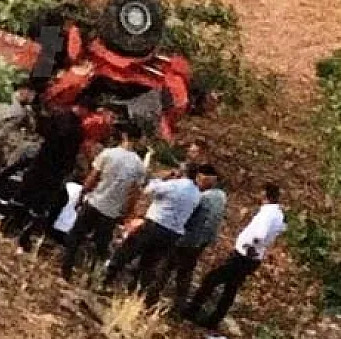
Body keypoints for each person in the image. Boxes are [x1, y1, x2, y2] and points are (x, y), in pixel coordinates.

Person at [184, 182, 285, 329]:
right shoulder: (278, 214)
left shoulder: (267, 213)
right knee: (231, 289)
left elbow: (260, 234)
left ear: (265, 194)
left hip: (244, 255)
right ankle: (213, 320)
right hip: (254, 257)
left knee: (212, 279)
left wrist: (250, 245)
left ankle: (192, 310)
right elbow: (279, 230)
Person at [103, 163, 202, 306]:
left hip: (155, 225)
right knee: (150, 263)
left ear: (182, 172)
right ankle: (134, 293)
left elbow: (148, 190)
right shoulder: (197, 195)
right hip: (172, 234)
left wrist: (163, 179)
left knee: (127, 251)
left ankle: (107, 280)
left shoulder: (174, 185)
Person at [61, 125, 147, 280]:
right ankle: (91, 275)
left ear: (124, 135)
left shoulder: (108, 154)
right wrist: (126, 212)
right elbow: (134, 193)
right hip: (112, 211)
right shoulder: (139, 166)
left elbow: (92, 178)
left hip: (95, 202)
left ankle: (66, 267)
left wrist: (82, 194)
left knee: (76, 235)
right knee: (100, 245)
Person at [12, 105, 84, 253]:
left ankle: (10, 225)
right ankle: (24, 235)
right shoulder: (77, 131)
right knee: (39, 206)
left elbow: (42, 131)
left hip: (40, 164)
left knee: (24, 196)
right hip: (54, 173)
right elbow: (70, 158)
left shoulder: (57, 116)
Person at [165, 164, 226, 311]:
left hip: (188, 239)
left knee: (166, 266)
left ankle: (150, 296)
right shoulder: (221, 196)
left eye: (200, 178)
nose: (198, 181)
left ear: (209, 179)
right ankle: (180, 304)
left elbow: (189, 215)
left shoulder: (203, 197)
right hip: (202, 242)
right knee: (185, 272)